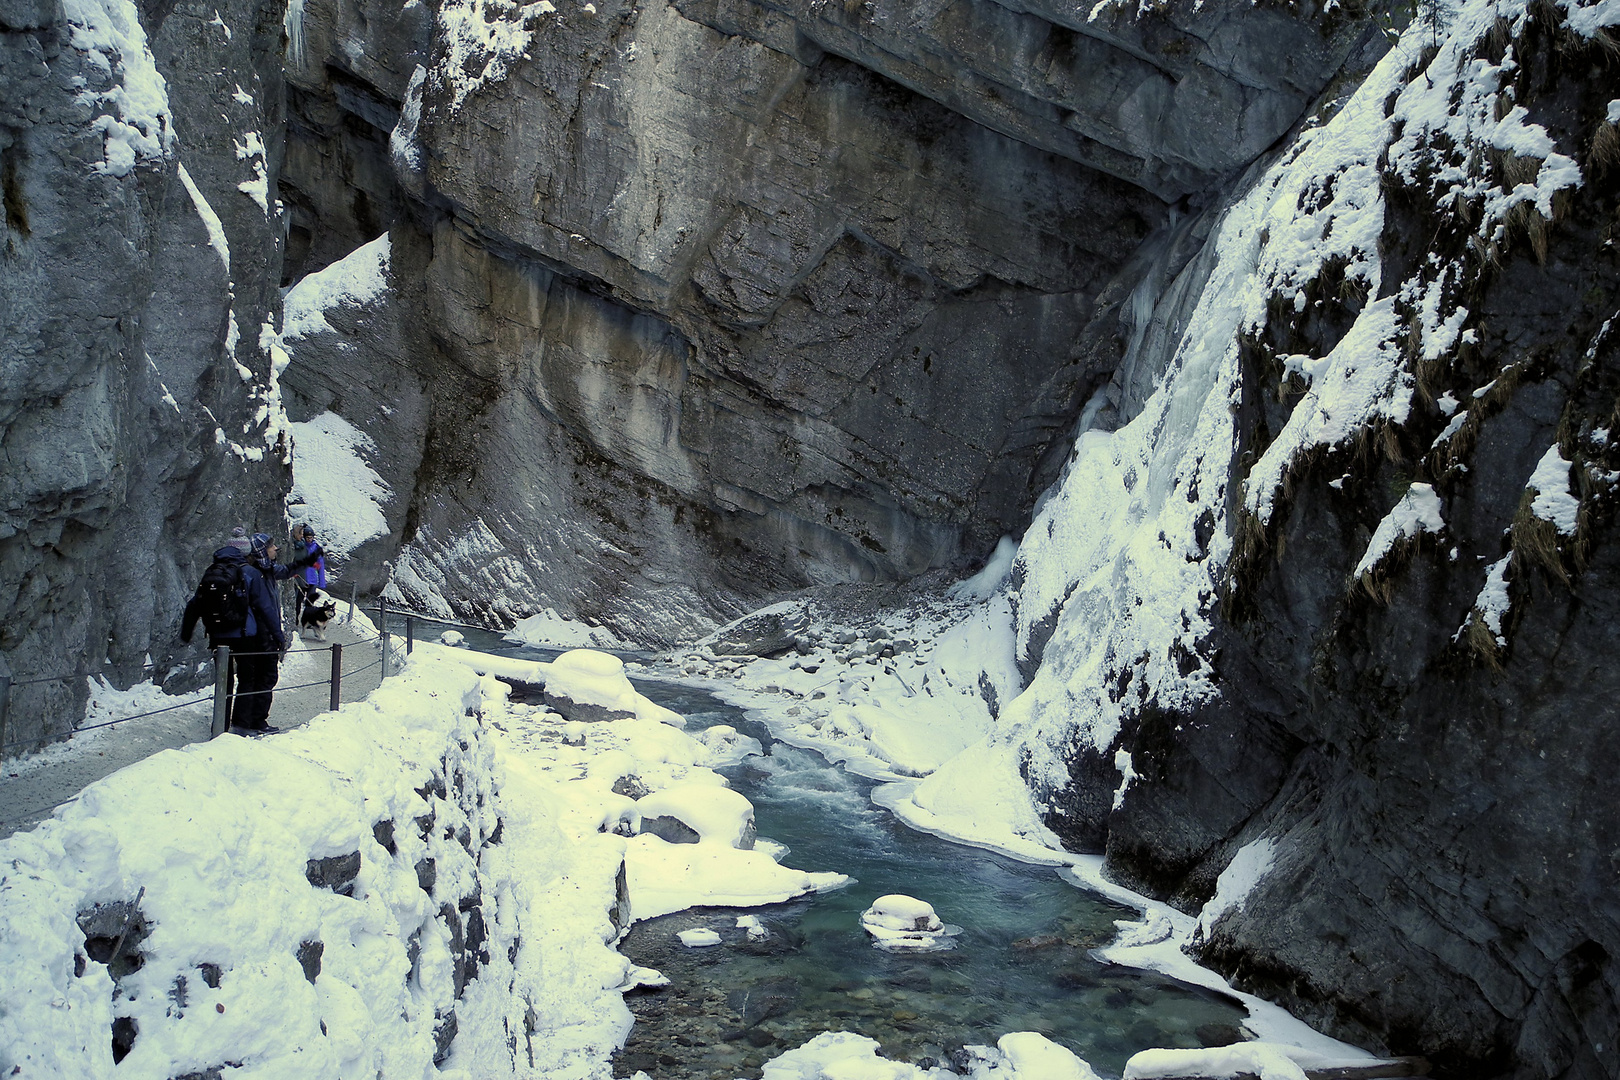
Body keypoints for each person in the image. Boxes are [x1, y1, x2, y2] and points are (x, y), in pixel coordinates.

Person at [181, 529, 286, 735]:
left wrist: (186, 633)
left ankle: (219, 726)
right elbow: (265, 608)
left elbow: (194, 604)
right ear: (246, 552)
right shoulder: (251, 573)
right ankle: (241, 725)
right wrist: (278, 635)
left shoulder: (212, 570)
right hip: (245, 636)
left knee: (224, 681)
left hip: (217, 635)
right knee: (248, 679)